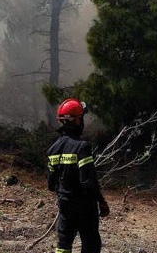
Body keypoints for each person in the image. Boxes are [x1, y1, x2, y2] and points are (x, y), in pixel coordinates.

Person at [47, 98, 110, 253]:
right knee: (91, 244)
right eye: (82, 117)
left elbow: (51, 184)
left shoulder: (52, 150)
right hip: (84, 207)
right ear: (77, 120)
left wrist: (63, 196)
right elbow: (88, 182)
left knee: (63, 246)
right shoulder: (82, 147)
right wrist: (101, 201)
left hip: (65, 205)